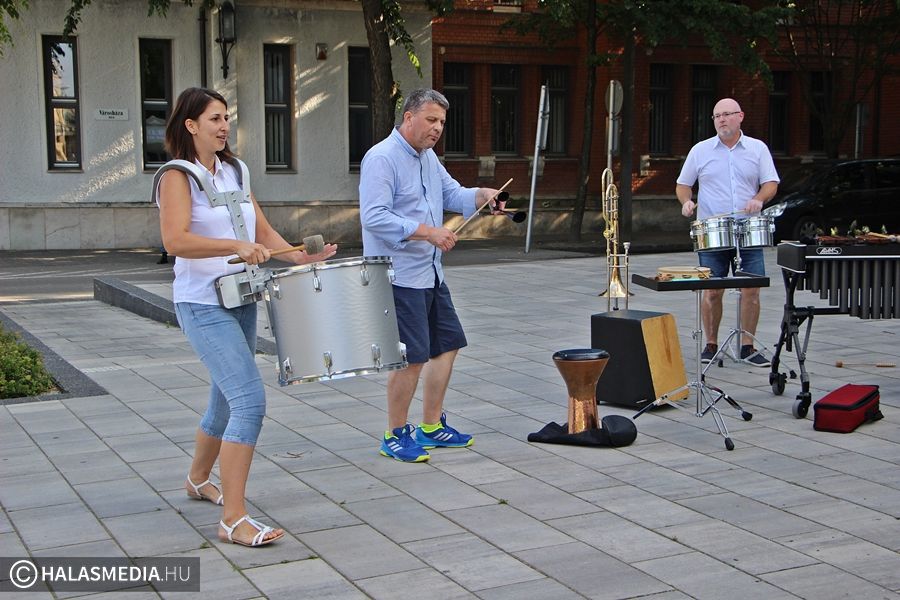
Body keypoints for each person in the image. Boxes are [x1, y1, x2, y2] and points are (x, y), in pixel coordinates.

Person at [155, 87, 337, 546]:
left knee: (224, 400)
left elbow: (261, 231)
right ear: (190, 125)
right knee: (249, 402)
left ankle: (198, 479)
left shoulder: (235, 170)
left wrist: (297, 256)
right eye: (214, 119)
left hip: (241, 298)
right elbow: (175, 241)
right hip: (201, 303)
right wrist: (234, 246)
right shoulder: (177, 176)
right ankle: (233, 519)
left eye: (226, 117)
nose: (224, 126)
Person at [359, 88, 503, 462]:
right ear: (409, 117)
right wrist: (428, 232)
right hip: (399, 275)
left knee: (447, 344)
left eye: (441, 122)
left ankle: (430, 426)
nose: (437, 128)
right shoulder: (382, 158)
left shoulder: (428, 159)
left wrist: (482, 196)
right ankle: (394, 435)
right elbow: (374, 216)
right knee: (412, 357)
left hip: (430, 273)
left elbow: (452, 194)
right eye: (431, 120)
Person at [676, 97, 779, 367]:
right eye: (717, 116)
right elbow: (683, 185)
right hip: (713, 230)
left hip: (748, 228)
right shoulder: (700, 150)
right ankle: (711, 344)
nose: (721, 120)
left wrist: (759, 198)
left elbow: (771, 183)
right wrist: (686, 201)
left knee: (751, 289)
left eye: (727, 114)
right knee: (712, 290)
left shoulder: (757, 148)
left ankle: (747, 346)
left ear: (740, 116)